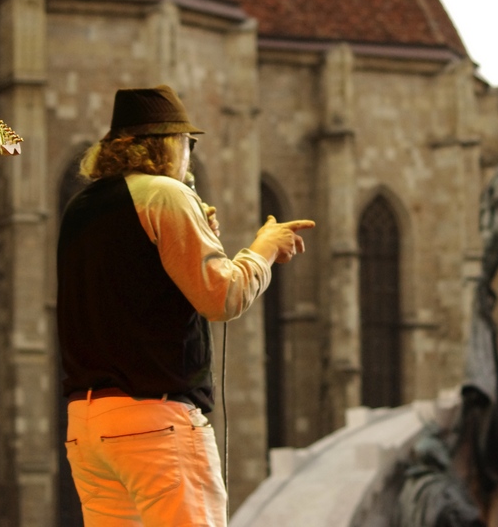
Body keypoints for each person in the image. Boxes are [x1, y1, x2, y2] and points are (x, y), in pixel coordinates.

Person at [57, 84, 315, 526]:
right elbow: (222, 297)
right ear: (167, 144)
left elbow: (133, 294)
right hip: (154, 422)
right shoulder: (164, 195)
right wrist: (265, 249)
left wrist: (199, 237)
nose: (189, 156)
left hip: (88, 425)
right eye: (188, 143)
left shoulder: (81, 206)